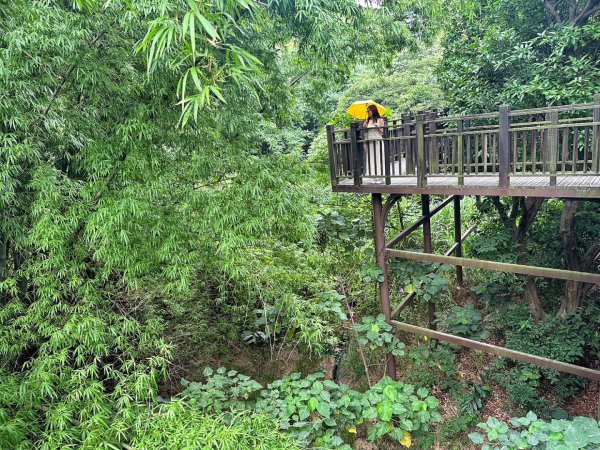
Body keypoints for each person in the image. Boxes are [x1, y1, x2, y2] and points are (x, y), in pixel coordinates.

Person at [363, 104, 385, 182]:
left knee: (378, 159)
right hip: (370, 141)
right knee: (371, 159)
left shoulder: (380, 120)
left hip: (378, 140)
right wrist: (365, 142)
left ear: (373, 110)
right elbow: (366, 133)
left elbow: (382, 132)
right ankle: (374, 177)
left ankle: (380, 177)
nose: (368, 112)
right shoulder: (367, 121)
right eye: (367, 111)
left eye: (369, 110)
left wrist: (377, 127)